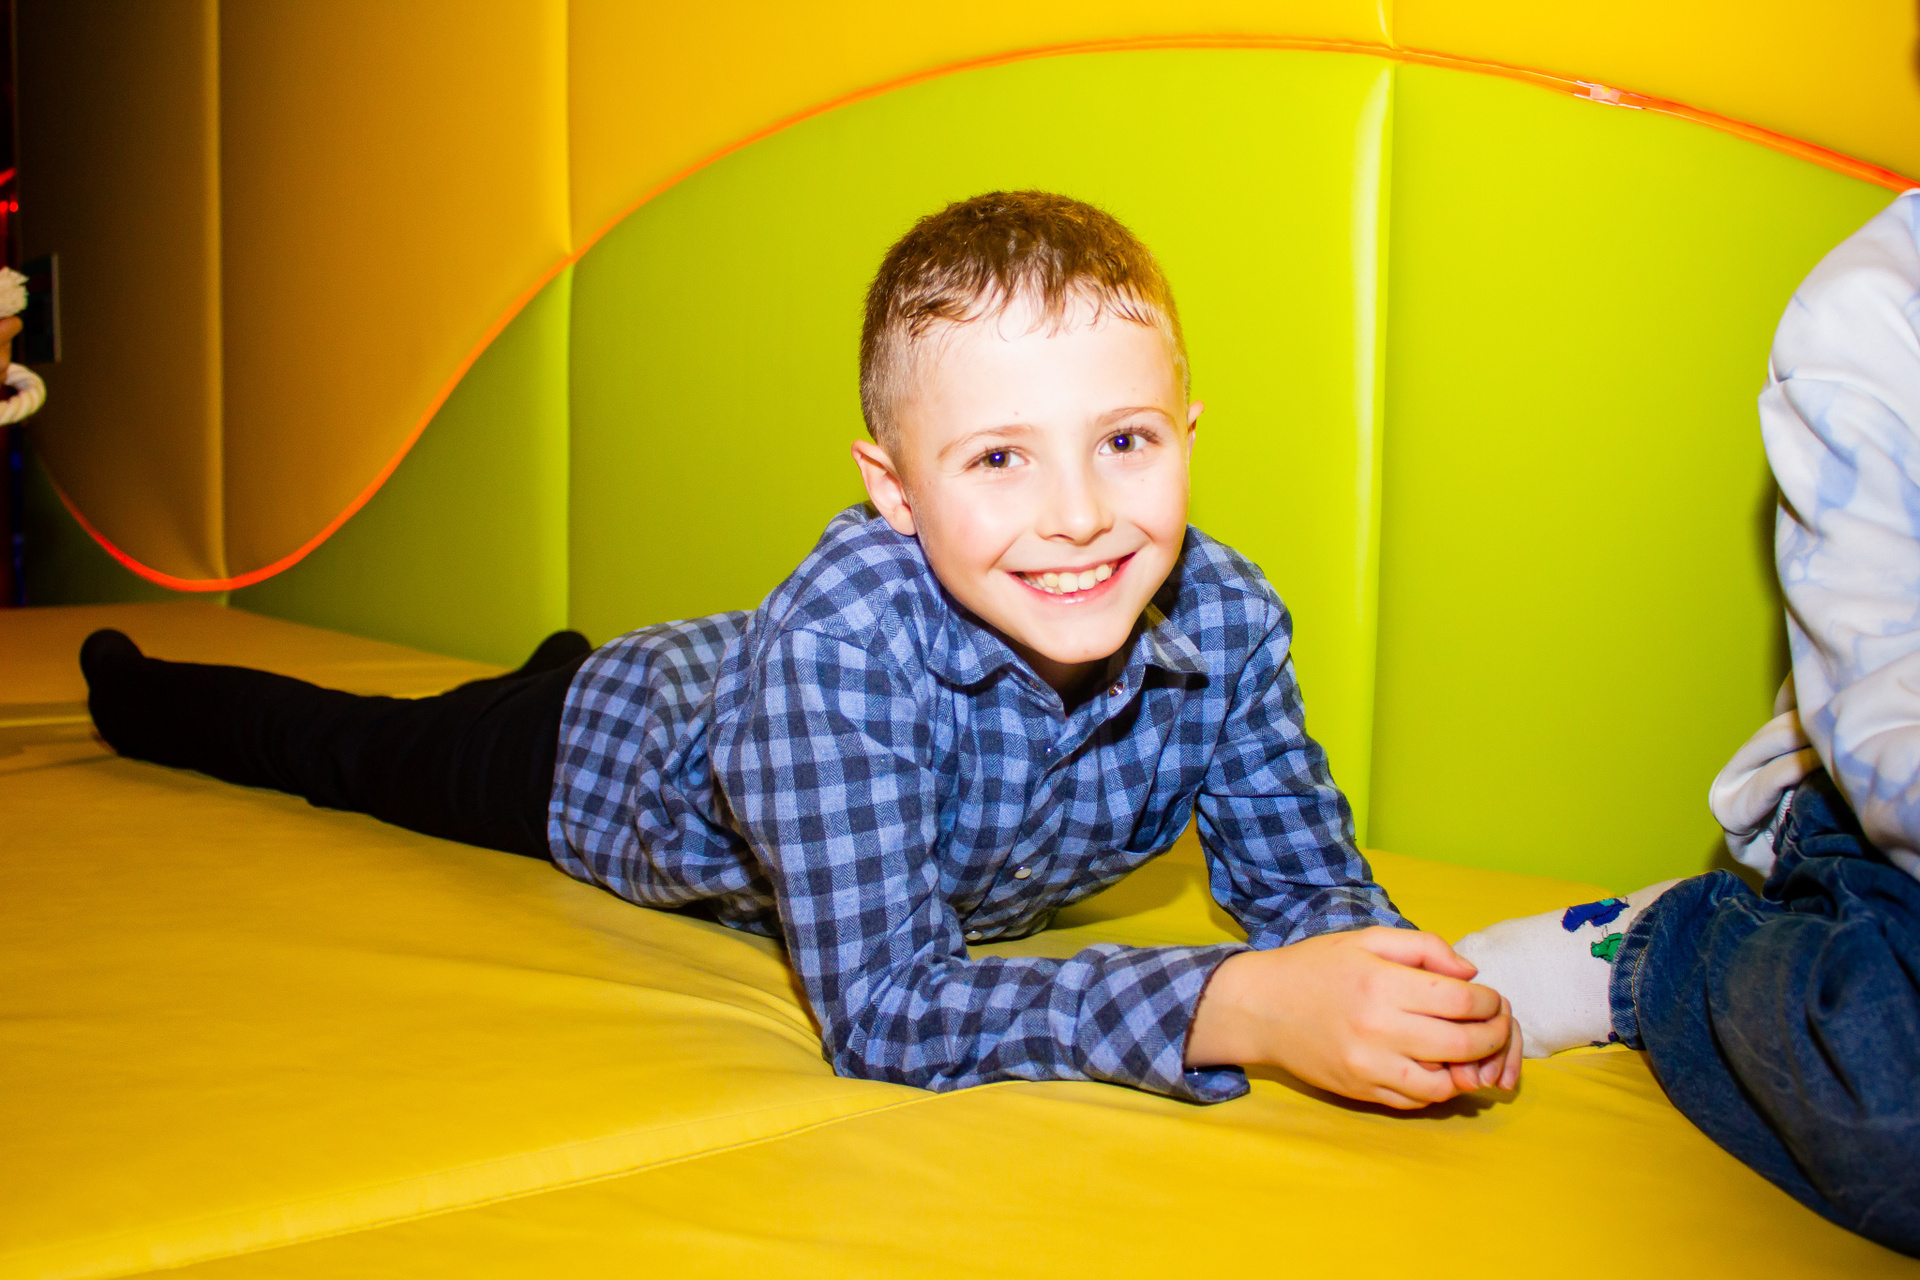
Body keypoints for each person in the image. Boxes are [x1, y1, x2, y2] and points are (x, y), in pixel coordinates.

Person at [83, 191, 1519, 1110]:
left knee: (605, 668)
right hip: (599, 752)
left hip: (737, 683)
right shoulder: (834, 654)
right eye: (999, 457)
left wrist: (1413, 997)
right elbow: (887, 1007)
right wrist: (1234, 1006)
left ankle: (554, 652)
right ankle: (144, 690)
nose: (1082, 515)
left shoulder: (1228, 616)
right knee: (357, 752)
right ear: (894, 490)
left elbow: (1308, 885)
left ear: (1188, 438)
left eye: (1126, 441)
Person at [1455, 191, 1920, 1256]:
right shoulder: (1876, 313)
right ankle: (1667, 944)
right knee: (1895, 1113)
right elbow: (1883, 695)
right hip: (1871, 805)